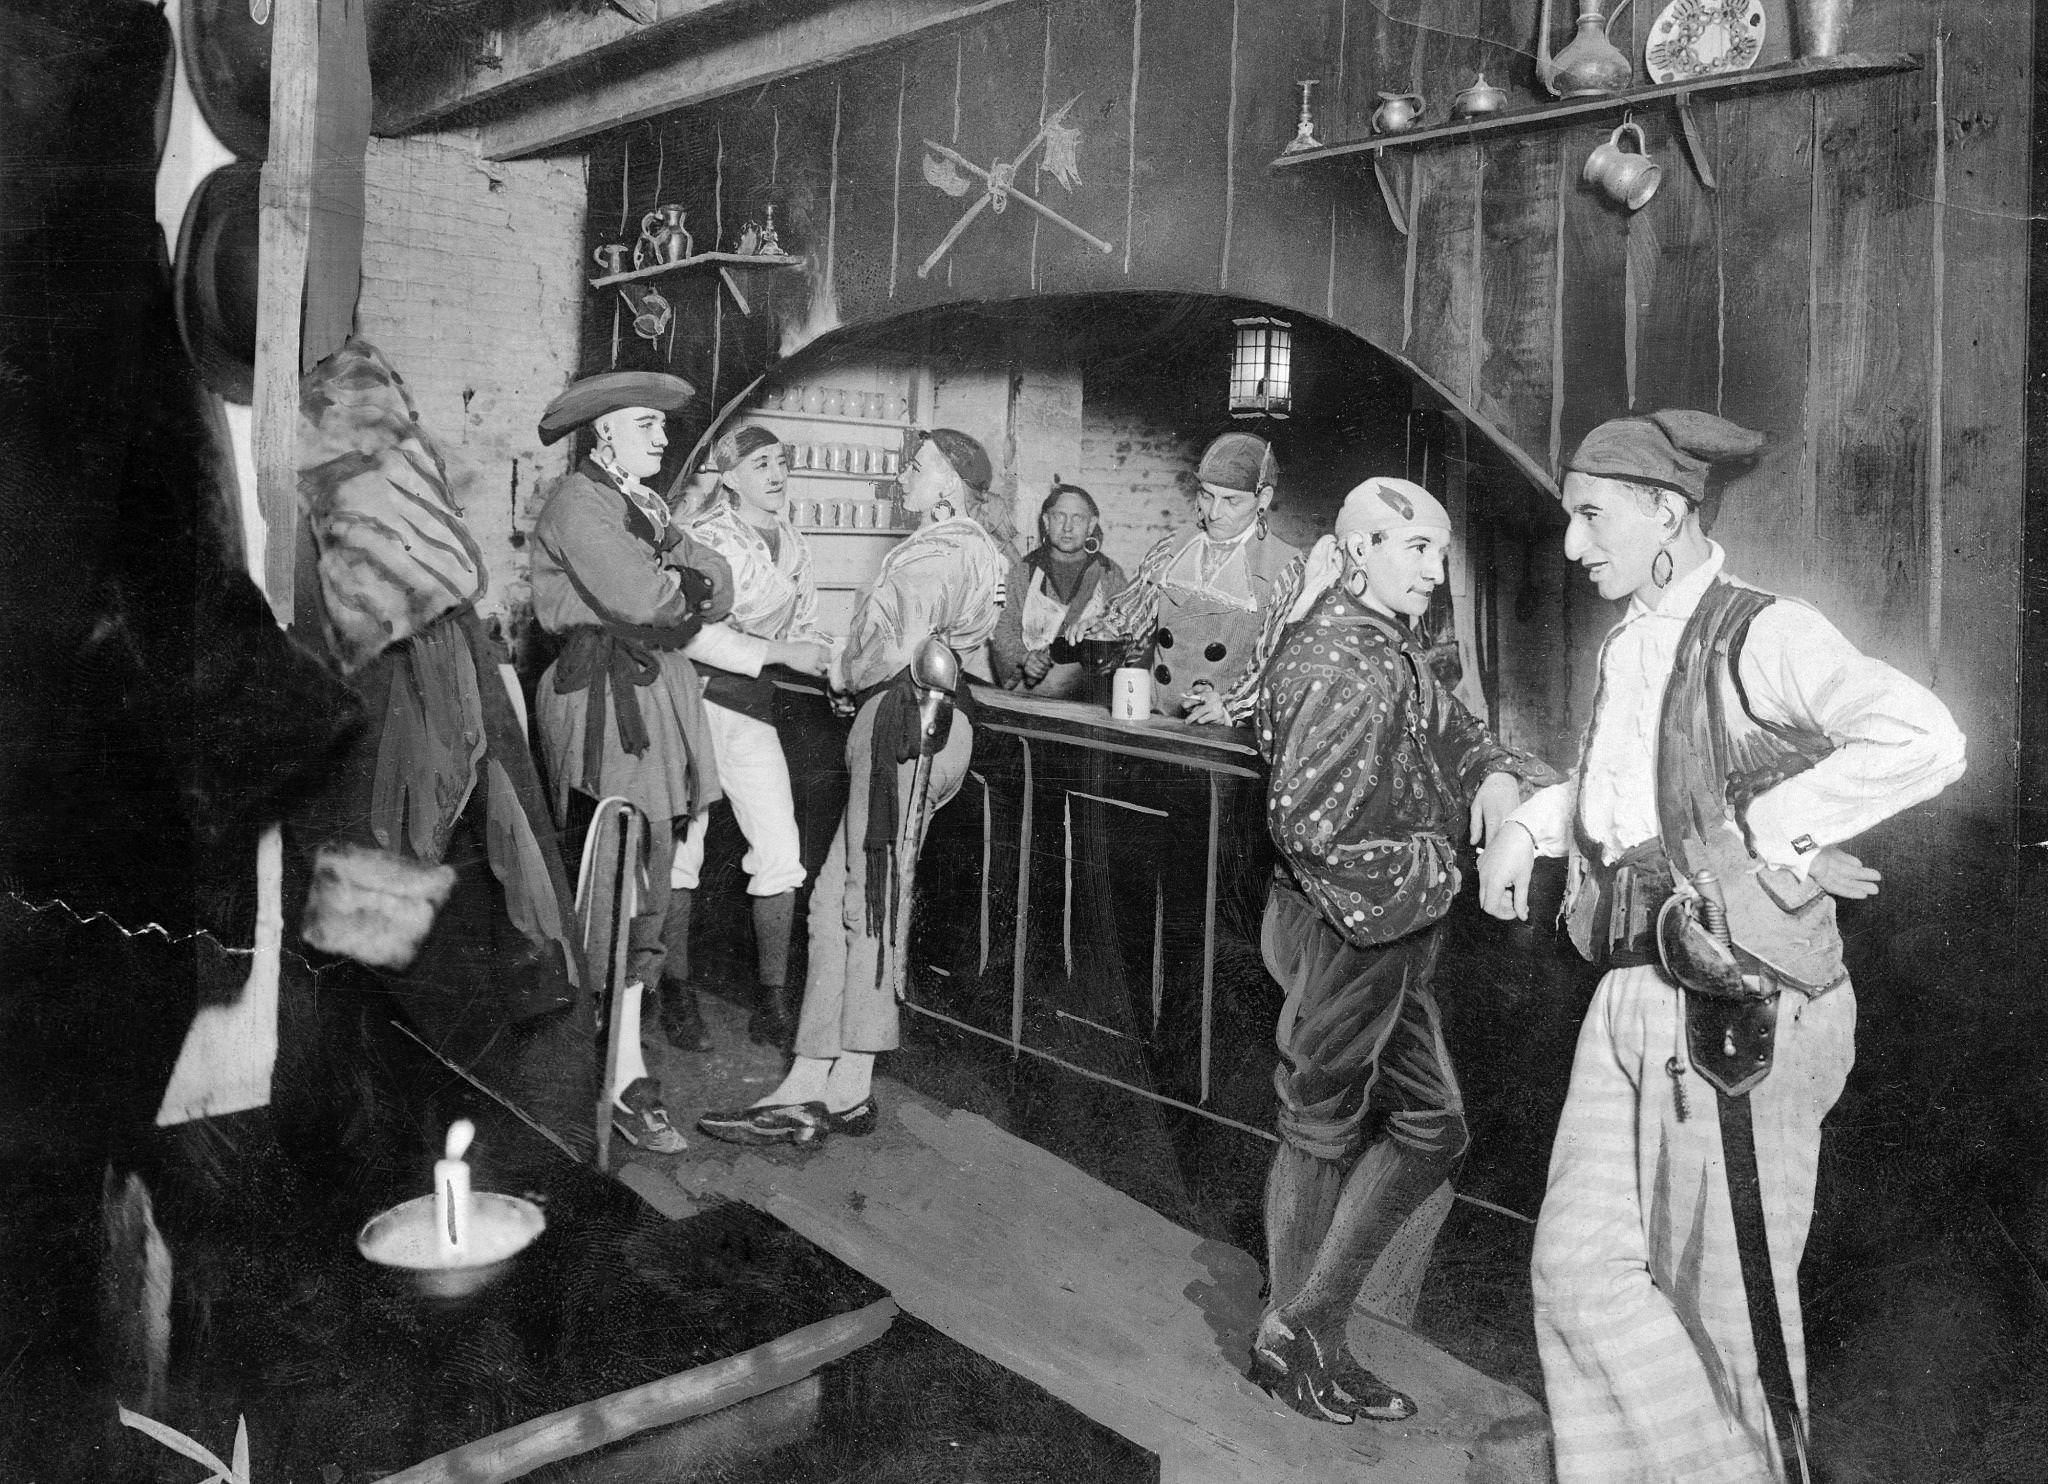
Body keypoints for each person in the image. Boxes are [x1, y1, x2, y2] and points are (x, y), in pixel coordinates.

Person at [1476, 411, 1966, 1482]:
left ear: (1665, 511)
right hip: (1628, 990)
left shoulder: (1762, 631)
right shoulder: (1630, 638)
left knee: (1725, 1315)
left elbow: (1925, 735)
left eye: (1589, 515)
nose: (1570, 544)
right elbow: (1626, 802)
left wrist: (1765, 833)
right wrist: (1528, 823)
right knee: (1574, 1275)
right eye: (1568, 517)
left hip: (1733, 1006)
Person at [1249, 478, 1558, 1425]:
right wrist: (1445, 863)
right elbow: (1308, 824)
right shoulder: (1347, 660)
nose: (1434, 569)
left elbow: (1451, 730)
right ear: (1354, 554)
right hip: (1349, 923)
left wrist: (1497, 775)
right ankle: (1300, 1340)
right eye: (1413, 549)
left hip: (1377, 925)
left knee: (1426, 1126)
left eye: (1438, 549)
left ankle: (1303, 1331)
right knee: (1323, 1125)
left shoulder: (1389, 644)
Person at [698, 428, 1010, 1147]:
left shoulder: (942, 547)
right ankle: (826, 1080)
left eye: (920, 466)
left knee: (866, 899)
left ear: (951, 486)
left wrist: (843, 671)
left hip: (909, 721)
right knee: (843, 900)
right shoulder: (970, 547)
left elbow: (899, 648)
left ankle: (829, 1082)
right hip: (915, 725)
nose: (906, 474)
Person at [530, 370, 793, 1153]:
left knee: (651, 870)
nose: (663, 437)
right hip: (611, 700)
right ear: (605, 432)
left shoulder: (639, 506)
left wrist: (681, 580)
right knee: (619, 875)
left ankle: (621, 1058)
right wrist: (680, 582)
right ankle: (614, 1072)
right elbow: (655, 601)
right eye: (647, 424)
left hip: (656, 694)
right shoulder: (580, 504)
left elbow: (718, 577)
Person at [663, 425, 837, 1054]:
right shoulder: (704, 539)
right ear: (730, 475)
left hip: (754, 710)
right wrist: (785, 651)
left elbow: (808, 627)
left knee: (781, 854)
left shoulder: (792, 541)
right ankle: (674, 992)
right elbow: (687, 635)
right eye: (761, 463)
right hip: (695, 703)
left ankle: (772, 1003)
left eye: (781, 461)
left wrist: (831, 661)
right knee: (686, 851)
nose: (776, 473)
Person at [1080, 431, 1302, 724]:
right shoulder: (1170, 549)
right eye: (1207, 495)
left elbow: (1273, 665)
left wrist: (1228, 707)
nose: (1214, 512)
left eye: (1232, 501)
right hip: (1157, 717)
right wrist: (1099, 633)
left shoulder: (1285, 568)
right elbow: (1131, 619)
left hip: (1225, 731)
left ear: (1263, 498)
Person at [991, 480, 1128, 701]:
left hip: (1092, 698)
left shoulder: (1110, 575)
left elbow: (1127, 634)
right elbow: (1002, 629)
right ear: (1046, 521)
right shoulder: (1023, 572)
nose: (1067, 527)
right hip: (1033, 696)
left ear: (1091, 525)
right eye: (1059, 516)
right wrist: (1025, 659)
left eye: (1078, 518)